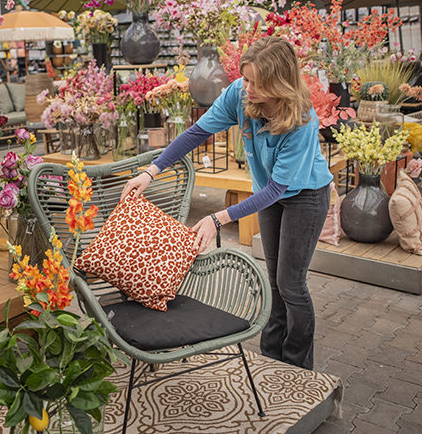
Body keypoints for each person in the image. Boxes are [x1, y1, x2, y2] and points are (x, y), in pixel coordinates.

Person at [121, 36, 332, 370]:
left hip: (304, 196)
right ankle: (272, 358)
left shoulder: (301, 121)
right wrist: (152, 170)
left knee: (291, 285)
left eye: (256, 84)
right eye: (245, 78)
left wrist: (218, 218)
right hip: (270, 195)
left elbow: (278, 188)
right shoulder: (238, 93)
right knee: (275, 282)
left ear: (279, 85)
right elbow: (195, 133)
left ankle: (298, 368)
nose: (246, 88)